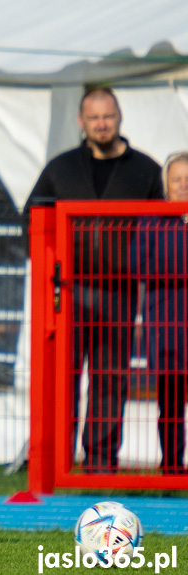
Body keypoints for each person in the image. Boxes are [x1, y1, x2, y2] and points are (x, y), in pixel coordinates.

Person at [24, 86, 164, 473]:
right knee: (62, 381)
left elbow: (164, 231)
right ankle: (57, 463)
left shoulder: (148, 170)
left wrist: (146, 274)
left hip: (121, 294)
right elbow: (30, 221)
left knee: (110, 380)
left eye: (108, 116)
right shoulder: (61, 167)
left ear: (119, 116)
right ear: (81, 121)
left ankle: (101, 465)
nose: (102, 124)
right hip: (66, 293)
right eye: (94, 117)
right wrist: (48, 271)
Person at [134, 152, 188, 475]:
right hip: (167, 326)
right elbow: (141, 264)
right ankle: (171, 468)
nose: (183, 186)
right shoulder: (150, 219)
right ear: (165, 185)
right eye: (177, 179)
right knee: (170, 403)